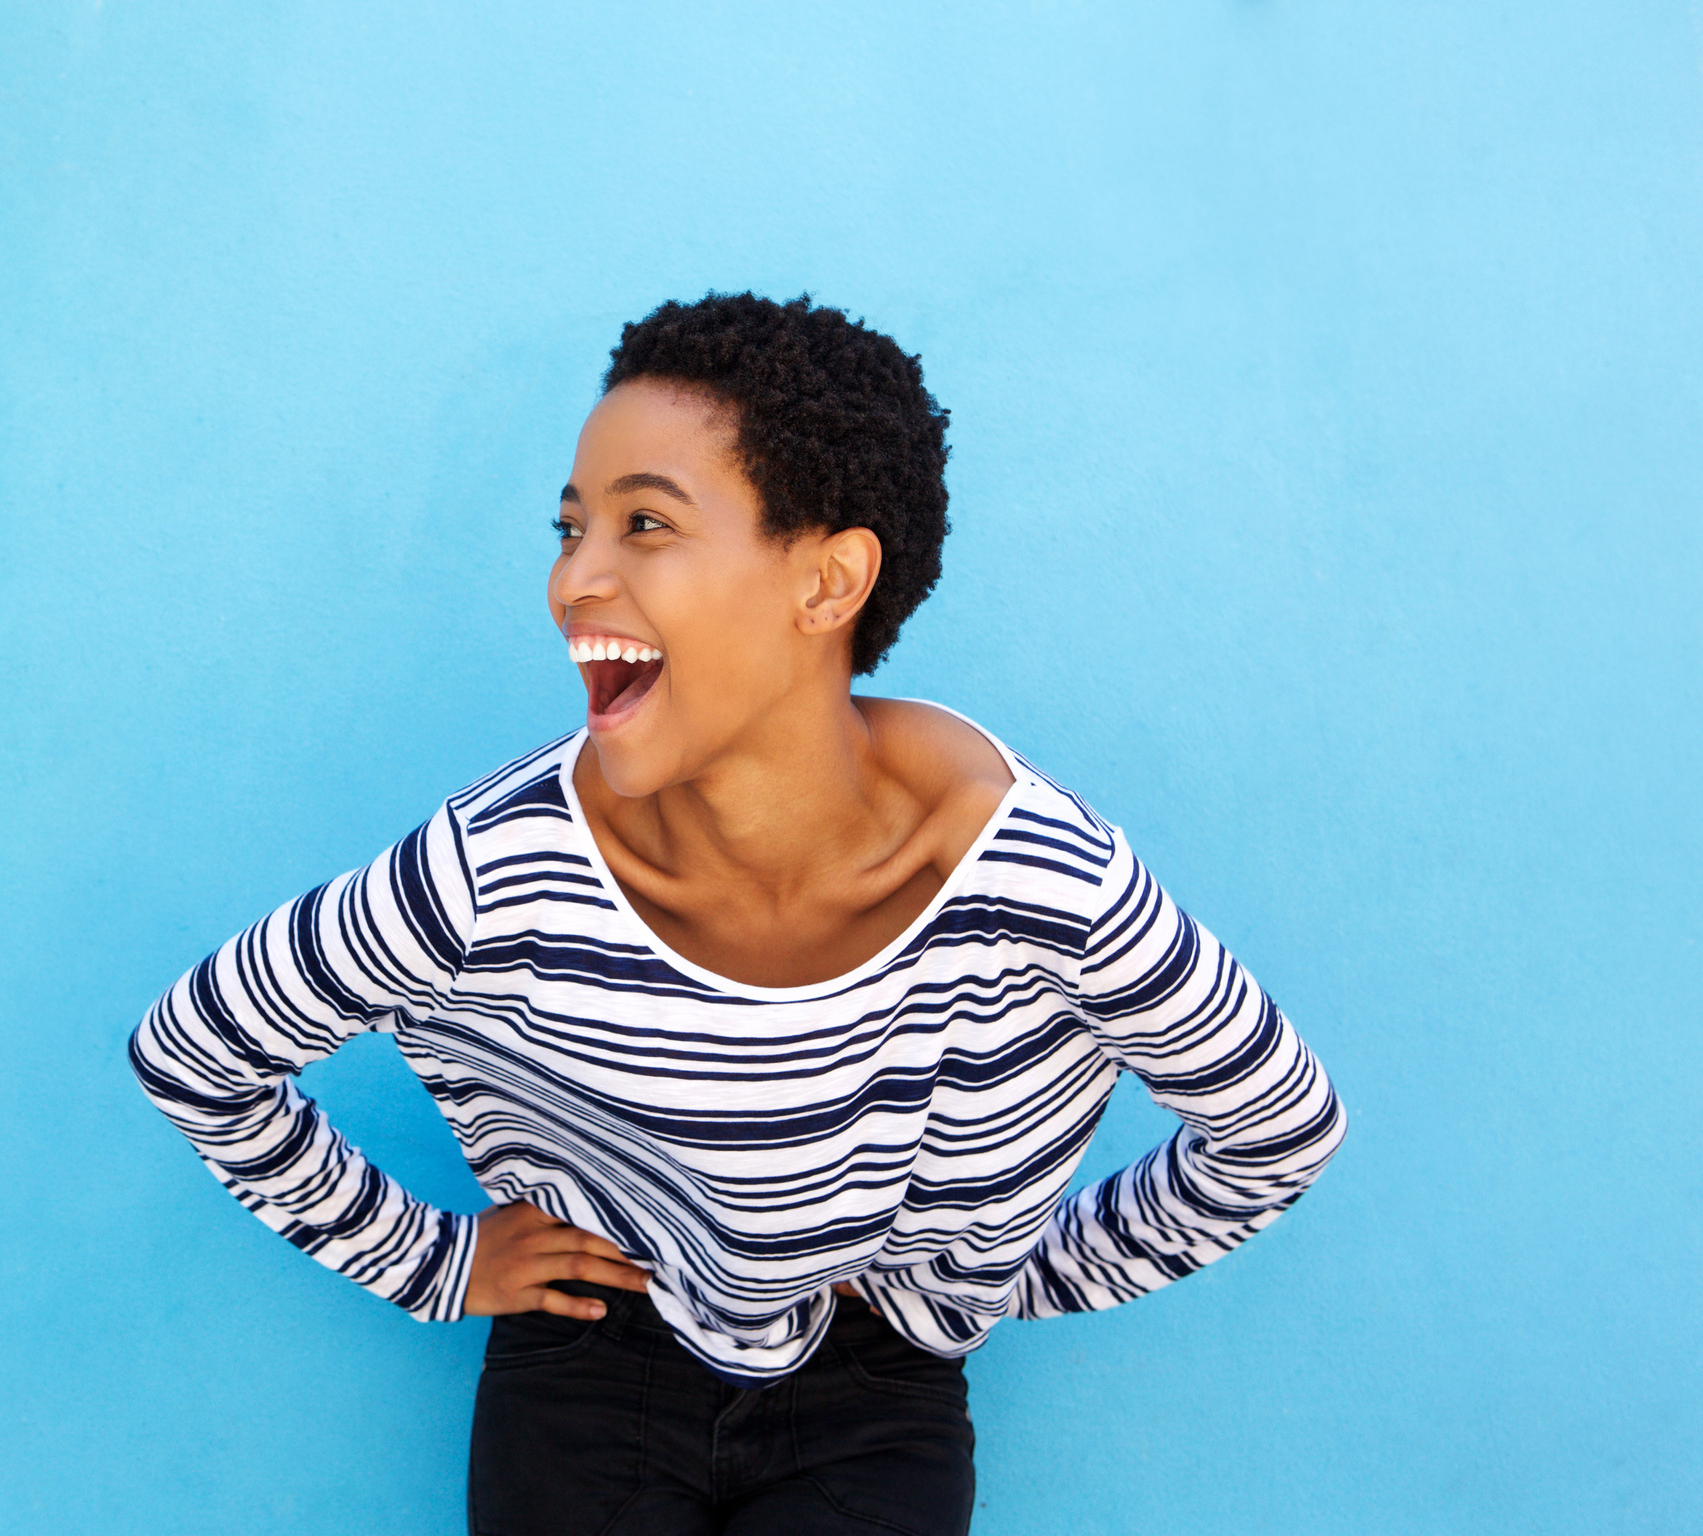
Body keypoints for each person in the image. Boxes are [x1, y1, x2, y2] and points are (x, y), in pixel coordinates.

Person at [129, 292, 1345, 1535]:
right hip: (593, 1359)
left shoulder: (1035, 878)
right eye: (570, 528)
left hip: (881, 1392)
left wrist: (1004, 1277)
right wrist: (434, 1263)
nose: (572, 582)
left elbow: (1277, 1127)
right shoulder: (493, 870)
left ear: (826, 581)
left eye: (645, 522)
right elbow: (195, 1054)